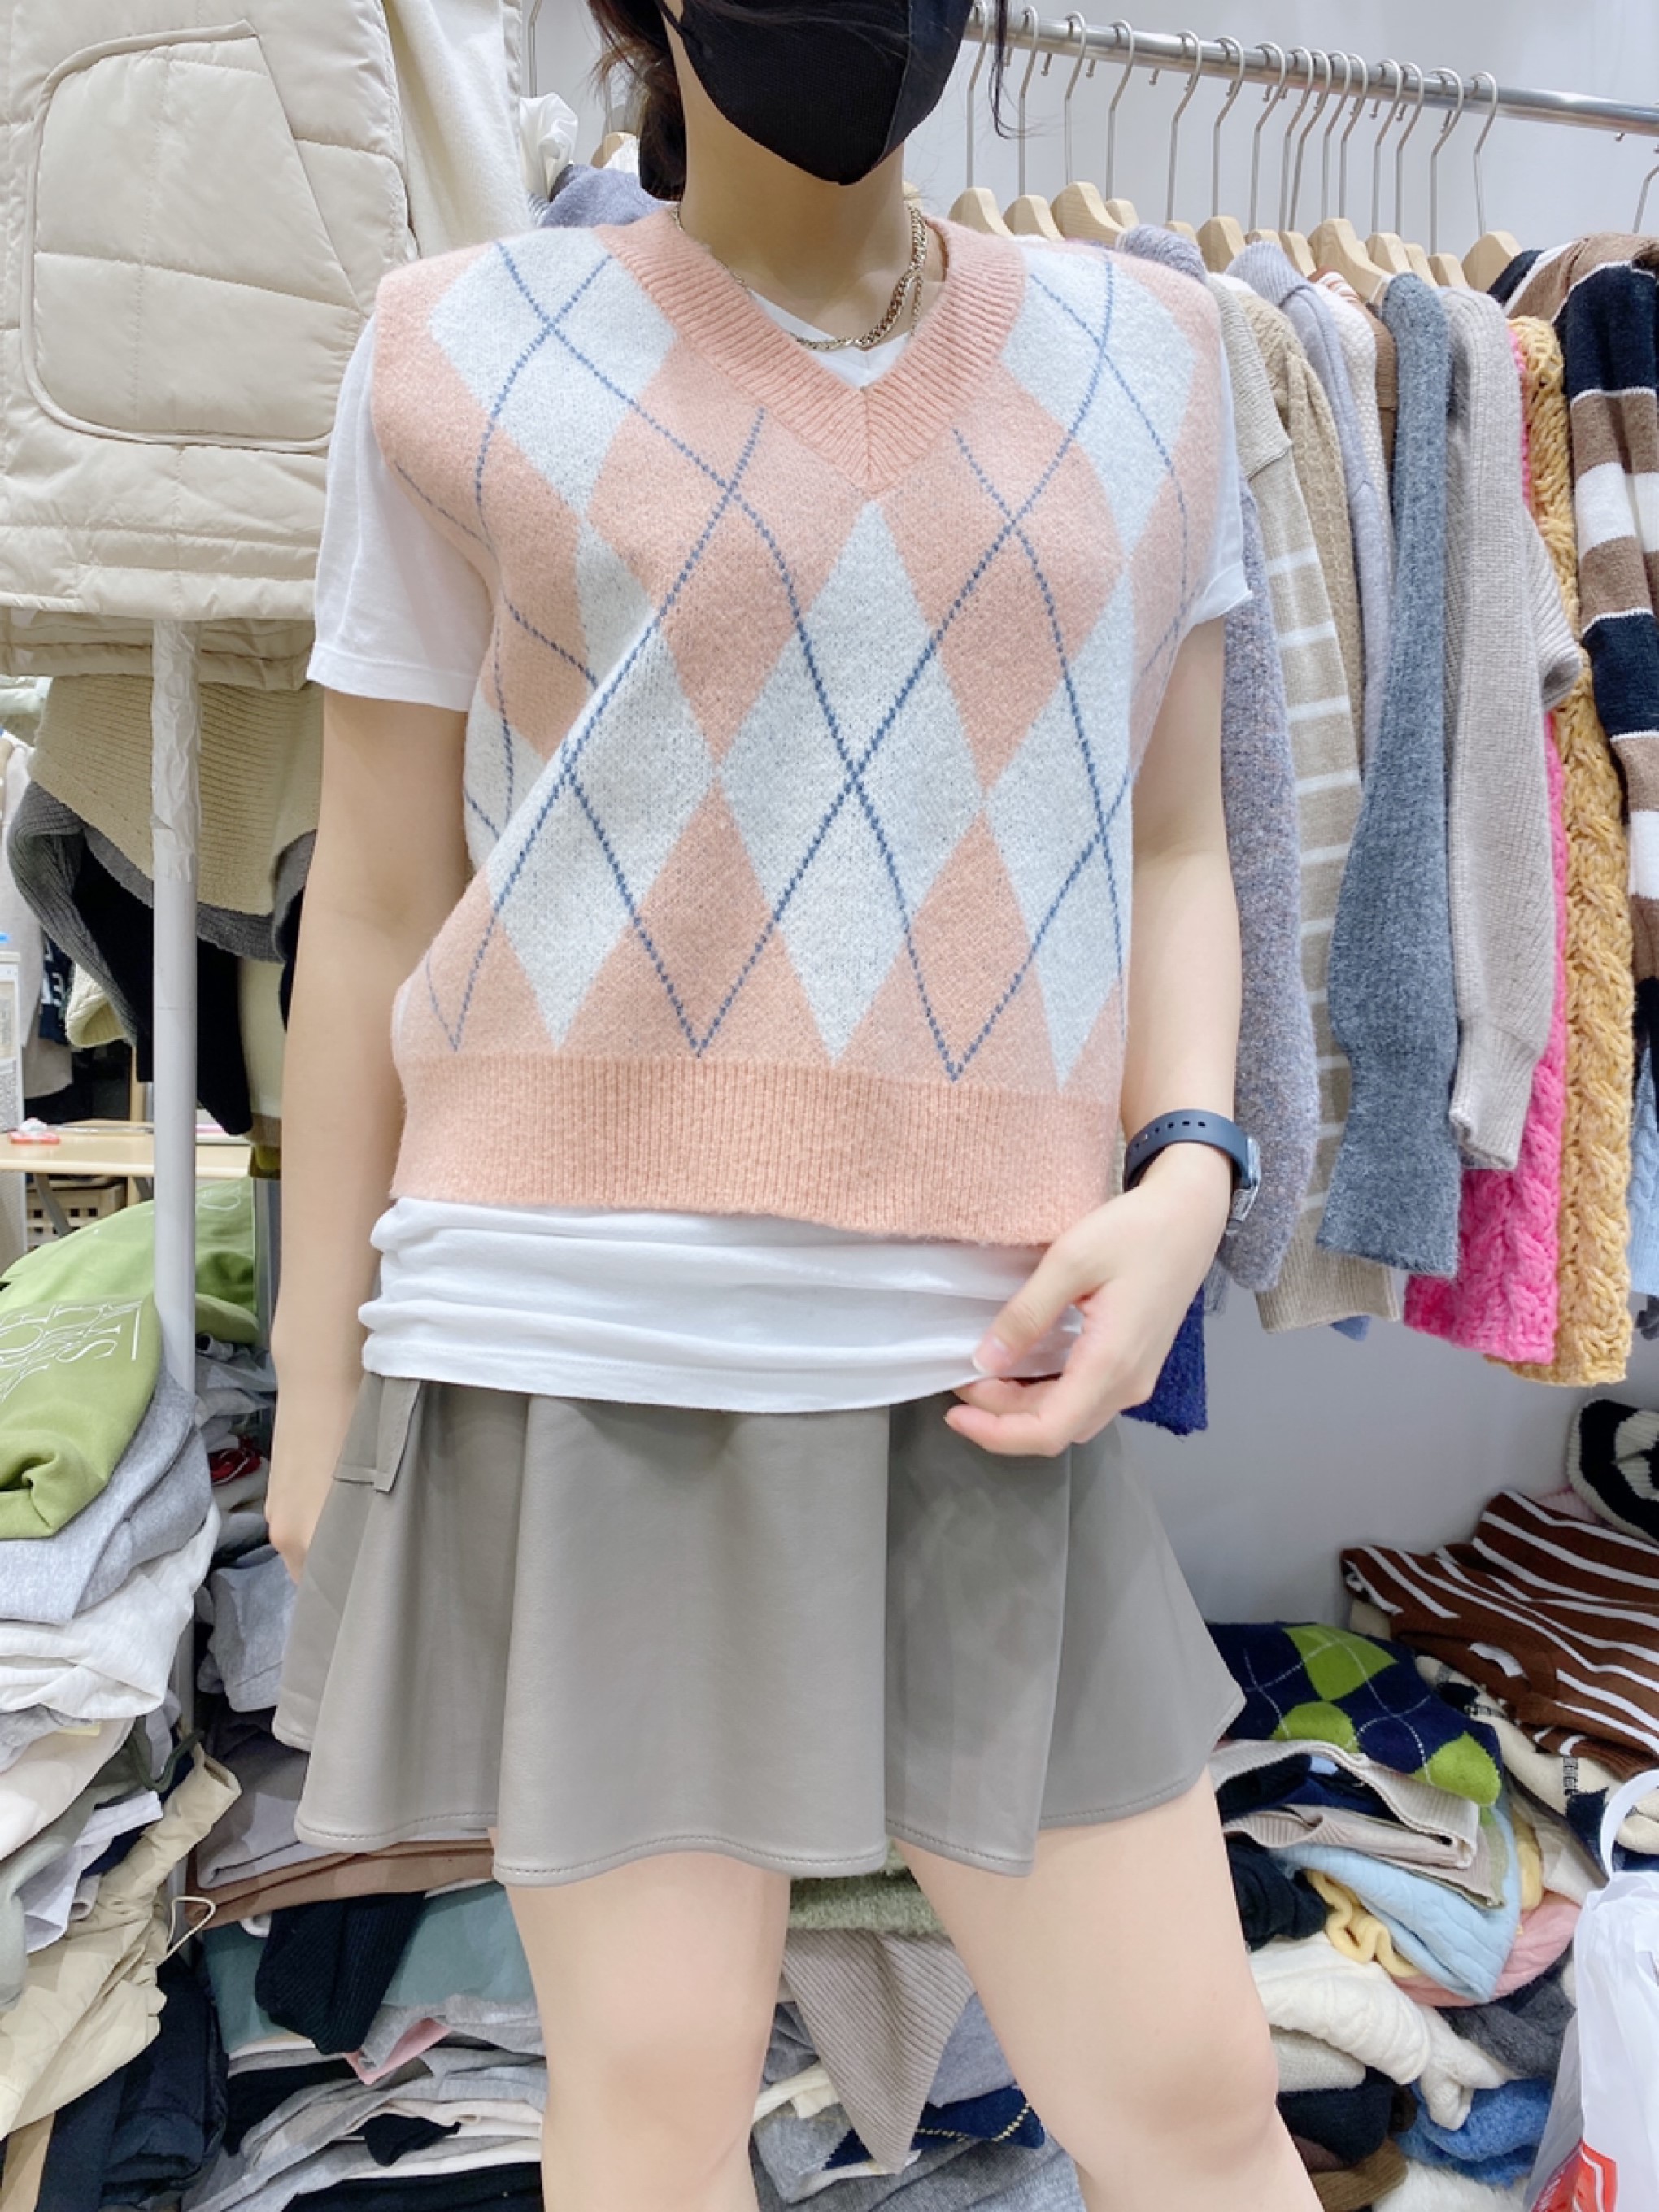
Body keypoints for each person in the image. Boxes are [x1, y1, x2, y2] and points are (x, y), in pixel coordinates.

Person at [268, 3, 1321, 2207]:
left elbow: (1175, 844)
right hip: (578, 1345)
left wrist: (1192, 1169)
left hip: (986, 1364)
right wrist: (313, 1382)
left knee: (1194, 2100)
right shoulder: (454, 345)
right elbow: (370, 901)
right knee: (654, 2100)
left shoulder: (1157, 357)